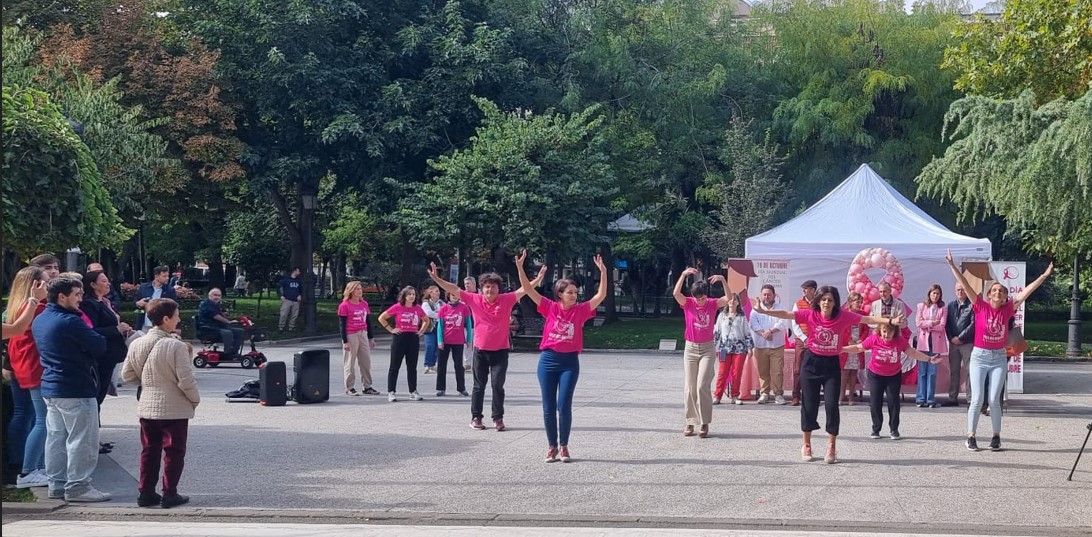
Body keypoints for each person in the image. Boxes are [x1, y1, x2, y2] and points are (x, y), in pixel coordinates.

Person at [754, 285, 903, 464]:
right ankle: (806, 444)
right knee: (809, 405)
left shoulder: (843, 316)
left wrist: (890, 322)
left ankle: (831, 446)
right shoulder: (810, 314)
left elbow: (866, 318)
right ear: (819, 301)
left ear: (835, 303)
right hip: (811, 363)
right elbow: (786, 314)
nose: (826, 303)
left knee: (832, 405)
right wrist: (764, 311)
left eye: (830, 300)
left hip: (831, 365)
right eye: (824, 299)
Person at [946, 250, 1053, 452]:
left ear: (1005, 297)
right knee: (977, 399)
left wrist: (1044, 276)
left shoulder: (1008, 309)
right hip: (979, 356)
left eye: (1001, 292)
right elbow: (967, 286)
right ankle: (971, 436)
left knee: (995, 399)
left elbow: (1026, 292)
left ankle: (996, 437)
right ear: (989, 295)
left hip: (998, 357)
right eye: (994, 291)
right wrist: (952, 266)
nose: (997, 294)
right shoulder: (980, 306)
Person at [428, 262, 544, 431]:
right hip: (480, 351)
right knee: (478, 385)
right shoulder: (474, 299)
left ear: (499, 289)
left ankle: (498, 418)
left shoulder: (507, 299)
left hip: (501, 351)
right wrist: (436, 278)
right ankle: (476, 417)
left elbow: (523, 289)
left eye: (493, 287)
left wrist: (538, 279)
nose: (490, 290)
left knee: (497, 385)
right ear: (482, 288)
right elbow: (453, 289)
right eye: (487, 287)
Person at [516, 251, 608, 463]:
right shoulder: (549, 307)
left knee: (563, 405)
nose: (574, 295)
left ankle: (564, 446)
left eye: (576, 292)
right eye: (570, 292)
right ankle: (551, 447)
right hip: (548, 361)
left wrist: (603, 272)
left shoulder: (581, 310)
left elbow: (600, 296)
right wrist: (521, 268)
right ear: (560, 294)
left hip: (569, 363)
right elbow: (528, 290)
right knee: (548, 407)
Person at [32, 277, 110, 502]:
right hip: (76, 386)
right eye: (76, 294)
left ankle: (57, 484)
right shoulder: (70, 321)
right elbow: (99, 345)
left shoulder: (41, 319)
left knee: (56, 438)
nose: (80, 299)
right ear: (62, 296)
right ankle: (78, 486)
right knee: (81, 439)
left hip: (51, 386)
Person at [120, 298, 200, 509]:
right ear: (166, 319)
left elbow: (127, 375)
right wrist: (194, 398)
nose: (179, 318)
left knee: (149, 449)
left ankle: (145, 492)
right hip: (174, 408)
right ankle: (169, 493)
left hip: (147, 405)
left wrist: (147, 382)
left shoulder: (137, 342)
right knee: (173, 451)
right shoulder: (176, 346)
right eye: (176, 315)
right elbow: (186, 379)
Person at [842, 322, 942, 440]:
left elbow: (913, 353)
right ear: (880, 331)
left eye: (889, 332)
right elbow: (858, 348)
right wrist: (842, 349)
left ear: (894, 332)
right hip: (875, 375)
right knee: (875, 402)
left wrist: (929, 359)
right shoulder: (874, 339)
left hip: (893, 375)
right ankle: (876, 429)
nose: (886, 335)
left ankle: (894, 429)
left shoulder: (899, 341)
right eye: (884, 332)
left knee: (893, 402)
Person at [672, 268, 735, 438]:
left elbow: (729, 298)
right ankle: (690, 421)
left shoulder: (712, 304)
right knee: (690, 387)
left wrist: (723, 280)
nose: (701, 301)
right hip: (691, 348)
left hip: (707, 348)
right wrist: (683, 275)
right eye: (698, 298)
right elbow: (676, 293)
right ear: (693, 297)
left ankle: (705, 422)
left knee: (702, 386)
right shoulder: (689, 303)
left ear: (706, 295)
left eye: (703, 297)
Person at [5, 267, 49, 488]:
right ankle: (29, 470)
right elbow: (18, 330)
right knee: (42, 421)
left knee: (33, 417)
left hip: (24, 367)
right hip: (34, 367)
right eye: (45, 283)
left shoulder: (18, 306)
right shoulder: (34, 308)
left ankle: (31, 467)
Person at [81, 271, 135, 413]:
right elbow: (91, 331)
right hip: (101, 355)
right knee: (97, 391)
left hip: (111, 354)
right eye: (104, 281)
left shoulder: (106, 302)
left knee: (103, 390)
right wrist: (116, 329)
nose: (108, 284)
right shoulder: (89, 304)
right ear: (92, 284)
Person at [378, 286, 430, 402]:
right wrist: (391, 329)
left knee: (412, 366)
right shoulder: (398, 307)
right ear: (404, 296)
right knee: (394, 366)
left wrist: (421, 330)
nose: (412, 296)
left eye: (413, 294)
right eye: (409, 294)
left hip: (413, 337)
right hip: (399, 337)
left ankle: (413, 391)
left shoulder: (417, 308)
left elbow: (426, 320)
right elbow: (382, 318)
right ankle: (391, 391)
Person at [712, 293, 753, 405]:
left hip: (739, 349)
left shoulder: (742, 316)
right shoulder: (722, 316)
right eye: (730, 299)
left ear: (738, 302)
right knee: (722, 373)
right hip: (724, 349)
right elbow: (717, 332)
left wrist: (749, 347)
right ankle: (717, 395)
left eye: (735, 299)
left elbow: (747, 333)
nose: (732, 301)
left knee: (737, 373)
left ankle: (735, 396)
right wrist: (714, 346)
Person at [338, 281, 378, 396]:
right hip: (351, 334)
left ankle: (367, 386)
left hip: (363, 332)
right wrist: (345, 341)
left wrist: (371, 337)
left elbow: (368, 321)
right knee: (350, 362)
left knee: (365, 361)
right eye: (357, 289)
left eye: (360, 289)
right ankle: (350, 387)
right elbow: (342, 325)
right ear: (351, 291)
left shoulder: (364, 304)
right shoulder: (344, 305)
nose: (360, 291)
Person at [749, 284, 787, 405]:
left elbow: (782, 323)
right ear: (761, 295)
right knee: (762, 371)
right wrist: (763, 333)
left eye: (769, 294)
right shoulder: (756, 309)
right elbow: (753, 324)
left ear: (774, 295)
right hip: (760, 345)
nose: (766, 297)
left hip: (777, 346)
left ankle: (778, 394)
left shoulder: (780, 307)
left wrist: (770, 331)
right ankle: (764, 393)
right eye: (764, 294)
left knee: (777, 371)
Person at [915, 284, 948, 408]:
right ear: (929, 294)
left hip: (936, 344)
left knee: (932, 373)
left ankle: (930, 399)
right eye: (933, 293)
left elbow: (942, 326)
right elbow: (918, 323)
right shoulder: (921, 306)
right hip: (923, 343)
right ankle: (920, 398)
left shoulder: (943, 308)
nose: (935, 295)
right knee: (922, 372)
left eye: (938, 293)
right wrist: (931, 322)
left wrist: (927, 324)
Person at [943, 282, 975, 406]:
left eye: (962, 290)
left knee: (969, 371)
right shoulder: (950, 305)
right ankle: (952, 397)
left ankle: (971, 399)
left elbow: (973, 325)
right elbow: (947, 325)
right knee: (954, 370)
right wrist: (951, 338)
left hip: (967, 343)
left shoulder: (972, 305)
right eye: (958, 290)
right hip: (953, 343)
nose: (960, 292)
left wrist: (961, 338)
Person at [435, 291, 472, 397]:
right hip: (445, 341)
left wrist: (468, 339)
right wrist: (440, 341)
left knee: (458, 365)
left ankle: (461, 388)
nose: (454, 296)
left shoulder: (464, 308)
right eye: (452, 295)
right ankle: (441, 388)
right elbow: (440, 326)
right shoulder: (443, 308)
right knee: (442, 365)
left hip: (458, 341)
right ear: (448, 296)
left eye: (456, 295)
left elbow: (468, 324)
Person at [789, 280, 818, 406]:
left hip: (816, 340)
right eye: (803, 288)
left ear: (813, 290)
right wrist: (804, 338)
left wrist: (813, 338)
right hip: (801, 340)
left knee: (815, 368)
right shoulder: (798, 303)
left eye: (806, 288)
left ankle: (811, 396)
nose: (803, 291)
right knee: (798, 369)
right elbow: (794, 323)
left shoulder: (819, 303)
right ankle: (796, 396)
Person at [838, 292, 869, 406]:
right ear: (850, 302)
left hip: (857, 346)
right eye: (857, 301)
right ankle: (841, 395)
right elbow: (840, 329)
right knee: (844, 372)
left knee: (853, 372)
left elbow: (866, 330)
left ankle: (851, 395)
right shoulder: (843, 314)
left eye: (861, 302)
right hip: (847, 345)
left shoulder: (863, 314)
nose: (859, 304)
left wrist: (861, 339)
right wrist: (847, 340)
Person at [196, 289, 245, 357]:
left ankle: (234, 352)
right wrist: (228, 322)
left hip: (218, 327)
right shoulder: (205, 304)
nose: (217, 297)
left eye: (219, 295)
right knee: (227, 332)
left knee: (239, 331)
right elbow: (216, 316)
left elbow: (221, 316)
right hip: (208, 328)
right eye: (215, 295)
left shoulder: (216, 305)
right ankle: (228, 352)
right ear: (209, 295)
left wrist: (232, 320)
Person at [134, 266, 178, 331]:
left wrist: (177, 327)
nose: (167, 278)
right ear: (156, 276)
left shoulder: (170, 290)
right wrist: (138, 303)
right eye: (164, 276)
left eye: (167, 276)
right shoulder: (143, 288)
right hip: (144, 325)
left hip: (161, 327)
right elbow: (135, 302)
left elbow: (174, 308)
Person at [420, 285, 442, 374]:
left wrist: (437, 313)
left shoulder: (441, 303)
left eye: (438, 291)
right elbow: (428, 313)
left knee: (437, 346)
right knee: (430, 346)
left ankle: (433, 364)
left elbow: (447, 312)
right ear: (430, 293)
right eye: (436, 291)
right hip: (429, 327)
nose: (438, 293)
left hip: (439, 326)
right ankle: (427, 364)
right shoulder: (426, 303)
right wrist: (439, 314)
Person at [278, 268, 302, 332]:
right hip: (287, 300)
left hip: (296, 301)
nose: (299, 272)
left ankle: (291, 327)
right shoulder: (286, 280)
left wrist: (300, 295)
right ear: (294, 271)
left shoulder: (299, 281)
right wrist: (281, 296)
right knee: (284, 314)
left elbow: (301, 290)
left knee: (294, 315)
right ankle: (281, 327)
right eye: (298, 271)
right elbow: (280, 288)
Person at [462, 276, 478, 372]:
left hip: (478, 324)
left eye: (468, 283)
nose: (466, 286)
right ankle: (467, 364)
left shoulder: (481, 294)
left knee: (477, 345)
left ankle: (477, 364)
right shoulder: (463, 295)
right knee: (467, 345)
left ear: (474, 284)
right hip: (465, 325)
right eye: (465, 284)